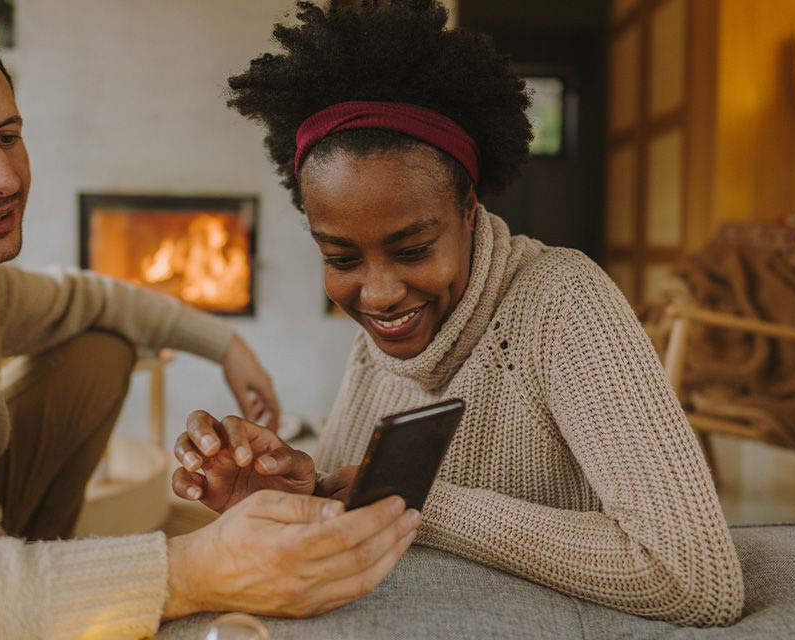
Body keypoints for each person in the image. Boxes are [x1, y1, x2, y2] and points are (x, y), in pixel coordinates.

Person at [0, 1, 419, 638]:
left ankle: (26, 580)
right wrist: (189, 570)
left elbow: (94, 297)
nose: (3, 176)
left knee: (99, 348)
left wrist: (226, 345)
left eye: (8, 136)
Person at [185, 0, 745, 626]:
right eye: (341, 258)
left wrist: (421, 505)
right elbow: (353, 506)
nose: (378, 294)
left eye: (413, 250)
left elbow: (694, 579)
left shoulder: (563, 303)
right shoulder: (382, 336)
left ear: (469, 212)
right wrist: (293, 493)